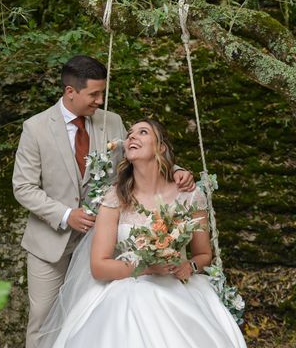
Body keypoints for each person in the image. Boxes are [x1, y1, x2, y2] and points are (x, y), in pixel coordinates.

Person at [13, 56, 195, 348]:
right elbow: (23, 187)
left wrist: (175, 171)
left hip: (104, 242)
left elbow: (140, 157)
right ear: (70, 92)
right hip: (50, 243)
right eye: (94, 94)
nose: (100, 100)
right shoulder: (35, 129)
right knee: (44, 320)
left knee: (90, 318)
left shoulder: (112, 122)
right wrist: (65, 214)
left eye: (102, 93)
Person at [37, 119, 247, 348]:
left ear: (161, 147)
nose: (132, 137)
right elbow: (99, 267)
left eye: (143, 132)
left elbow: (204, 254)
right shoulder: (115, 197)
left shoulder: (190, 195)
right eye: (129, 134)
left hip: (179, 286)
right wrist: (147, 268)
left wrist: (191, 267)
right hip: (128, 288)